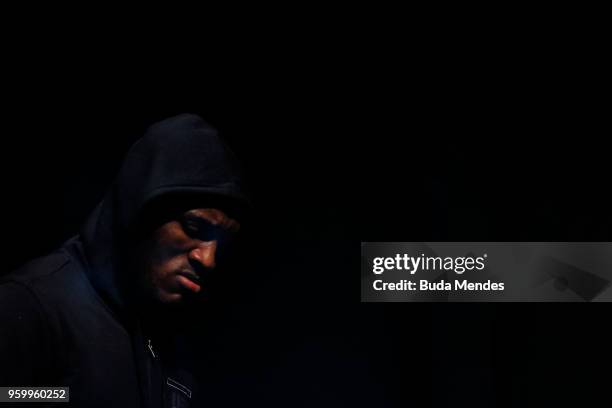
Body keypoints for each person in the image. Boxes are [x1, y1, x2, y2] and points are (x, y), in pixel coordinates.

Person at [0, 114, 249, 407]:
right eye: (194, 228)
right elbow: (7, 396)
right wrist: (58, 398)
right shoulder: (31, 306)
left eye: (222, 242)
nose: (208, 259)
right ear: (139, 210)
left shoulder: (178, 341)